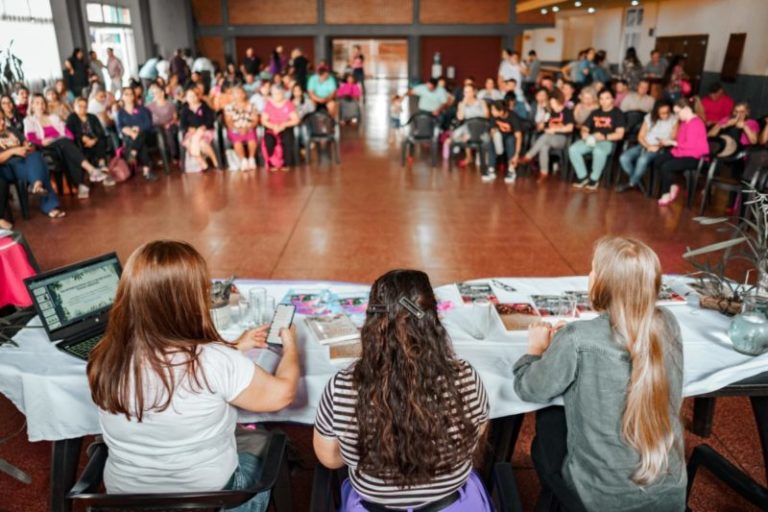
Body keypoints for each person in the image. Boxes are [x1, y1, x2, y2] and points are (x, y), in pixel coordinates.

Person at [87, 240, 300, 511]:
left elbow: (169, 371)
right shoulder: (213, 361)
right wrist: (292, 345)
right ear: (188, 300)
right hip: (213, 502)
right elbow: (283, 394)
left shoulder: (104, 357)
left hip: (126, 502)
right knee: (266, 452)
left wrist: (235, 347)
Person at [514, 236, 686, 512]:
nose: (590, 274)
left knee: (547, 423)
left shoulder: (576, 339)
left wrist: (535, 350)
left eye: (593, 268)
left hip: (599, 498)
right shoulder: (668, 323)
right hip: (668, 495)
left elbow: (530, 389)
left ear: (601, 282)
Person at [314, 269, 490, 511]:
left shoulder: (342, 386)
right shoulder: (465, 377)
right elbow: (475, 436)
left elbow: (330, 459)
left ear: (372, 323)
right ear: (433, 322)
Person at [24, 94, 111, 198]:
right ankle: (91, 170)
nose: (41, 105)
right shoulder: (29, 120)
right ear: (32, 105)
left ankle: (80, 185)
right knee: (66, 144)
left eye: (42, 102)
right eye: (37, 103)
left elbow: (69, 134)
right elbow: (30, 138)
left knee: (67, 146)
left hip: (62, 143)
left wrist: (64, 137)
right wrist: (42, 141)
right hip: (46, 146)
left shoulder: (53, 117)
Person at [0, 114, 65, 218]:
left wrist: (28, 146)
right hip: (8, 167)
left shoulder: (11, 130)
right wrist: (13, 151)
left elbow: (26, 143)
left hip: (25, 159)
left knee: (36, 155)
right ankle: (47, 202)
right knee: (41, 168)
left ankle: (36, 185)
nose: (2, 122)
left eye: (2, 118)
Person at [653, 97, 708, 206]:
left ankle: (666, 193)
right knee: (658, 160)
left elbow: (691, 146)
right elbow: (680, 142)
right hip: (682, 152)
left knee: (667, 166)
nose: (677, 116)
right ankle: (672, 185)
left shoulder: (696, 123)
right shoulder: (684, 123)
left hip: (695, 157)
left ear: (687, 109)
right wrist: (670, 142)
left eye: (678, 112)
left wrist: (672, 143)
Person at [569, 89, 626, 190]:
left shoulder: (618, 113)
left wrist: (604, 137)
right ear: (598, 100)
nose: (604, 101)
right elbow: (585, 127)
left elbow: (620, 134)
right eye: (601, 99)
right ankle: (583, 177)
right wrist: (584, 133)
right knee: (573, 149)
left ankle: (594, 179)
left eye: (607, 98)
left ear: (613, 99)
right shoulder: (595, 112)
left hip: (607, 141)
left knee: (598, 151)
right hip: (591, 140)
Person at [617, 100, 677, 193]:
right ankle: (637, 181)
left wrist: (658, 145)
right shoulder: (649, 117)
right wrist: (648, 146)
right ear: (656, 112)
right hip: (645, 144)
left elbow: (673, 137)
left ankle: (632, 183)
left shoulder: (674, 119)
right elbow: (640, 136)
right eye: (661, 113)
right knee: (624, 157)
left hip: (660, 147)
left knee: (643, 159)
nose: (664, 115)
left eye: (667, 112)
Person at [519, 91, 574, 180]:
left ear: (559, 101)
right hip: (549, 138)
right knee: (544, 146)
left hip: (562, 139)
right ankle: (544, 172)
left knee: (545, 137)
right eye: (550, 102)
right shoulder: (551, 113)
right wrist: (541, 125)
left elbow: (570, 128)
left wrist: (555, 130)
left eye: (553, 102)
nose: (551, 105)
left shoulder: (566, 111)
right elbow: (544, 125)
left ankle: (528, 156)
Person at [115, 87, 157, 182]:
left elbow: (148, 124)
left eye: (131, 94)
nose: (129, 96)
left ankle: (133, 152)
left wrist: (138, 128)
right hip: (130, 138)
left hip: (146, 135)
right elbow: (120, 128)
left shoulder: (142, 109)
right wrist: (130, 131)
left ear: (134, 96)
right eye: (126, 94)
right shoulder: (120, 113)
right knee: (141, 144)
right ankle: (147, 172)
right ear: (122, 97)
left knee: (141, 135)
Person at [260, 85, 299, 171]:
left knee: (287, 139)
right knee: (269, 140)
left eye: (279, 93)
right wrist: (273, 126)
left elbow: (296, 120)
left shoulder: (288, 104)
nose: (277, 95)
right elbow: (264, 120)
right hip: (272, 127)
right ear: (272, 94)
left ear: (283, 94)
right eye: (275, 94)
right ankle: (272, 164)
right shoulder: (268, 104)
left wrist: (283, 125)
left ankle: (286, 163)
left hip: (285, 127)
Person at [66, 97, 109, 173]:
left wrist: (94, 140)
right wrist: (82, 137)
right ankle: (90, 168)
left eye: (85, 106)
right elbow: (70, 132)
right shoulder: (71, 118)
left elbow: (100, 131)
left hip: (93, 139)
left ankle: (101, 164)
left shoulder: (92, 117)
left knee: (102, 139)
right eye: (80, 106)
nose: (83, 108)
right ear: (74, 106)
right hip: (80, 141)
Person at [180, 87, 219, 171]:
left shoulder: (204, 107)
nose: (192, 98)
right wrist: (189, 129)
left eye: (194, 96)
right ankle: (204, 164)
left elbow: (210, 120)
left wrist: (203, 127)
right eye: (189, 96)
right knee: (187, 143)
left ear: (197, 96)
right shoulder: (184, 110)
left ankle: (215, 162)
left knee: (202, 143)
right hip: (192, 133)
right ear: (186, 98)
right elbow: (182, 125)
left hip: (205, 130)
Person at [451, 84, 489, 168]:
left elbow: (487, 116)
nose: (467, 94)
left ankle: (480, 154)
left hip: (481, 127)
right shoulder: (461, 104)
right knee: (455, 135)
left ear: (474, 92)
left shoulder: (481, 102)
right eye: (465, 92)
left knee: (480, 163)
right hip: (468, 127)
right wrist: (463, 104)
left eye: (469, 92)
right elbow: (460, 118)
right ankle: (469, 156)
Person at [485, 100, 522, 183]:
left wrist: (517, 154)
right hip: (499, 139)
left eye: (494, 110)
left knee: (510, 140)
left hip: (511, 138)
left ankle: (511, 170)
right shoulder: (494, 116)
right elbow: (492, 130)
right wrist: (493, 134)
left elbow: (519, 137)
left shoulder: (513, 117)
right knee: (490, 140)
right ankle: (491, 169)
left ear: (501, 111)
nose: (492, 112)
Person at [224, 86, 259, 171]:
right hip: (235, 129)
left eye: (240, 93)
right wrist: (237, 129)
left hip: (249, 127)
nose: (239, 95)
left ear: (244, 94)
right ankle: (243, 160)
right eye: (236, 93)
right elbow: (228, 121)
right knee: (237, 140)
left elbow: (255, 120)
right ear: (233, 95)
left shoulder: (251, 105)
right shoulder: (228, 107)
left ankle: (251, 159)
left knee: (252, 138)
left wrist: (248, 127)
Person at [146, 83, 180, 164]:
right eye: (154, 93)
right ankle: (166, 156)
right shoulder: (149, 106)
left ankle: (173, 155)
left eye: (157, 92)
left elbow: (175, 117)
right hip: (156, 127)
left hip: (170, 124)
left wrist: (169, 123)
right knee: (161, 132)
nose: (156, 95)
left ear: (162, 92)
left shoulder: (170, 104)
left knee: (169, 131)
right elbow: (148, 119)